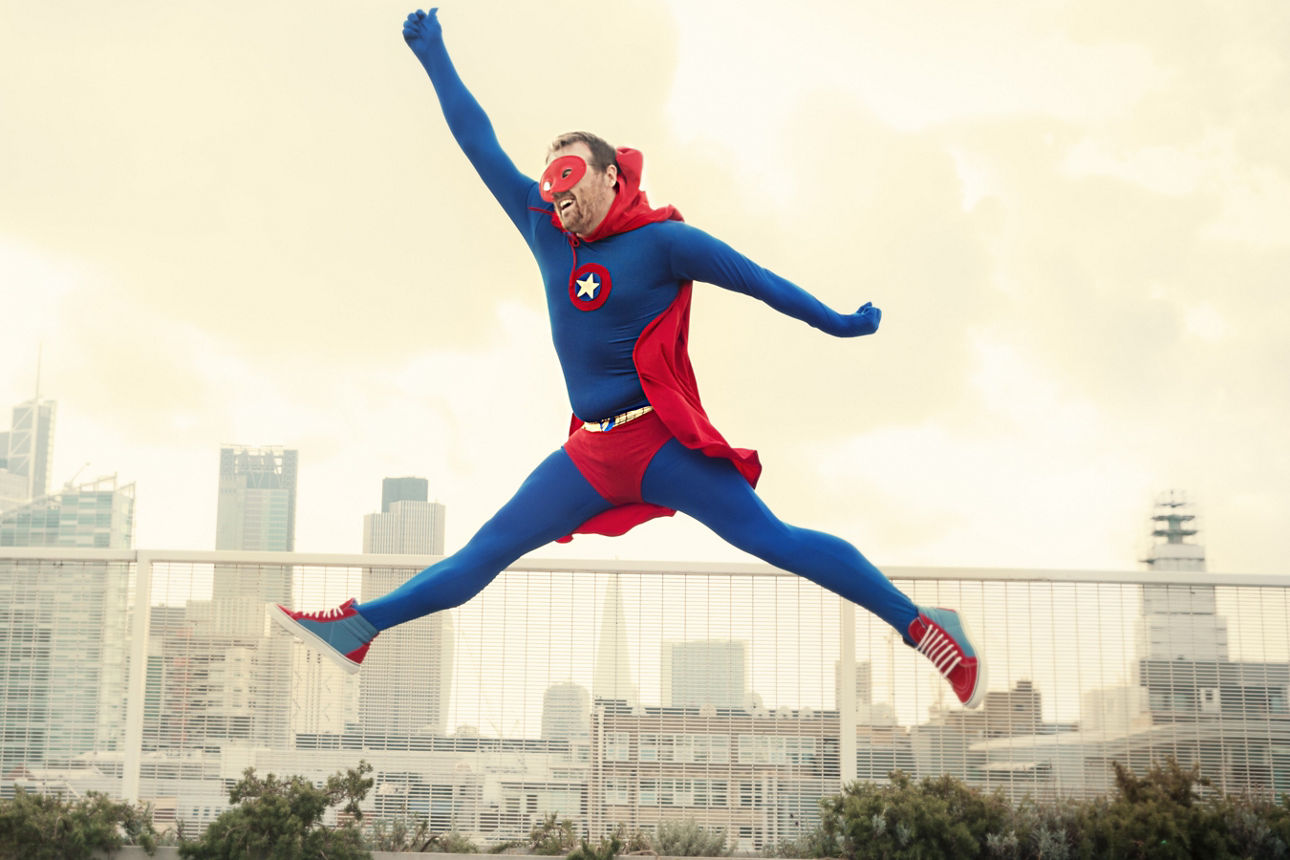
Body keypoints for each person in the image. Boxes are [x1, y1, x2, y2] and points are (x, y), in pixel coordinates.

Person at [272, 8, 985, 708]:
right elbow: (476, 139)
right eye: (549, 181)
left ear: (612, 177)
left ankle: (922, 625)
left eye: (571, 176)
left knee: (775, 540)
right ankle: (362, 628)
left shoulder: (664, 245)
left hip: (661, 443)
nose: (557, 193)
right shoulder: (545, 230)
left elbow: (759, 281)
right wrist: (433, 57)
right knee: (485, 551)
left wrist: (834, 322)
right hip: (590, 455)